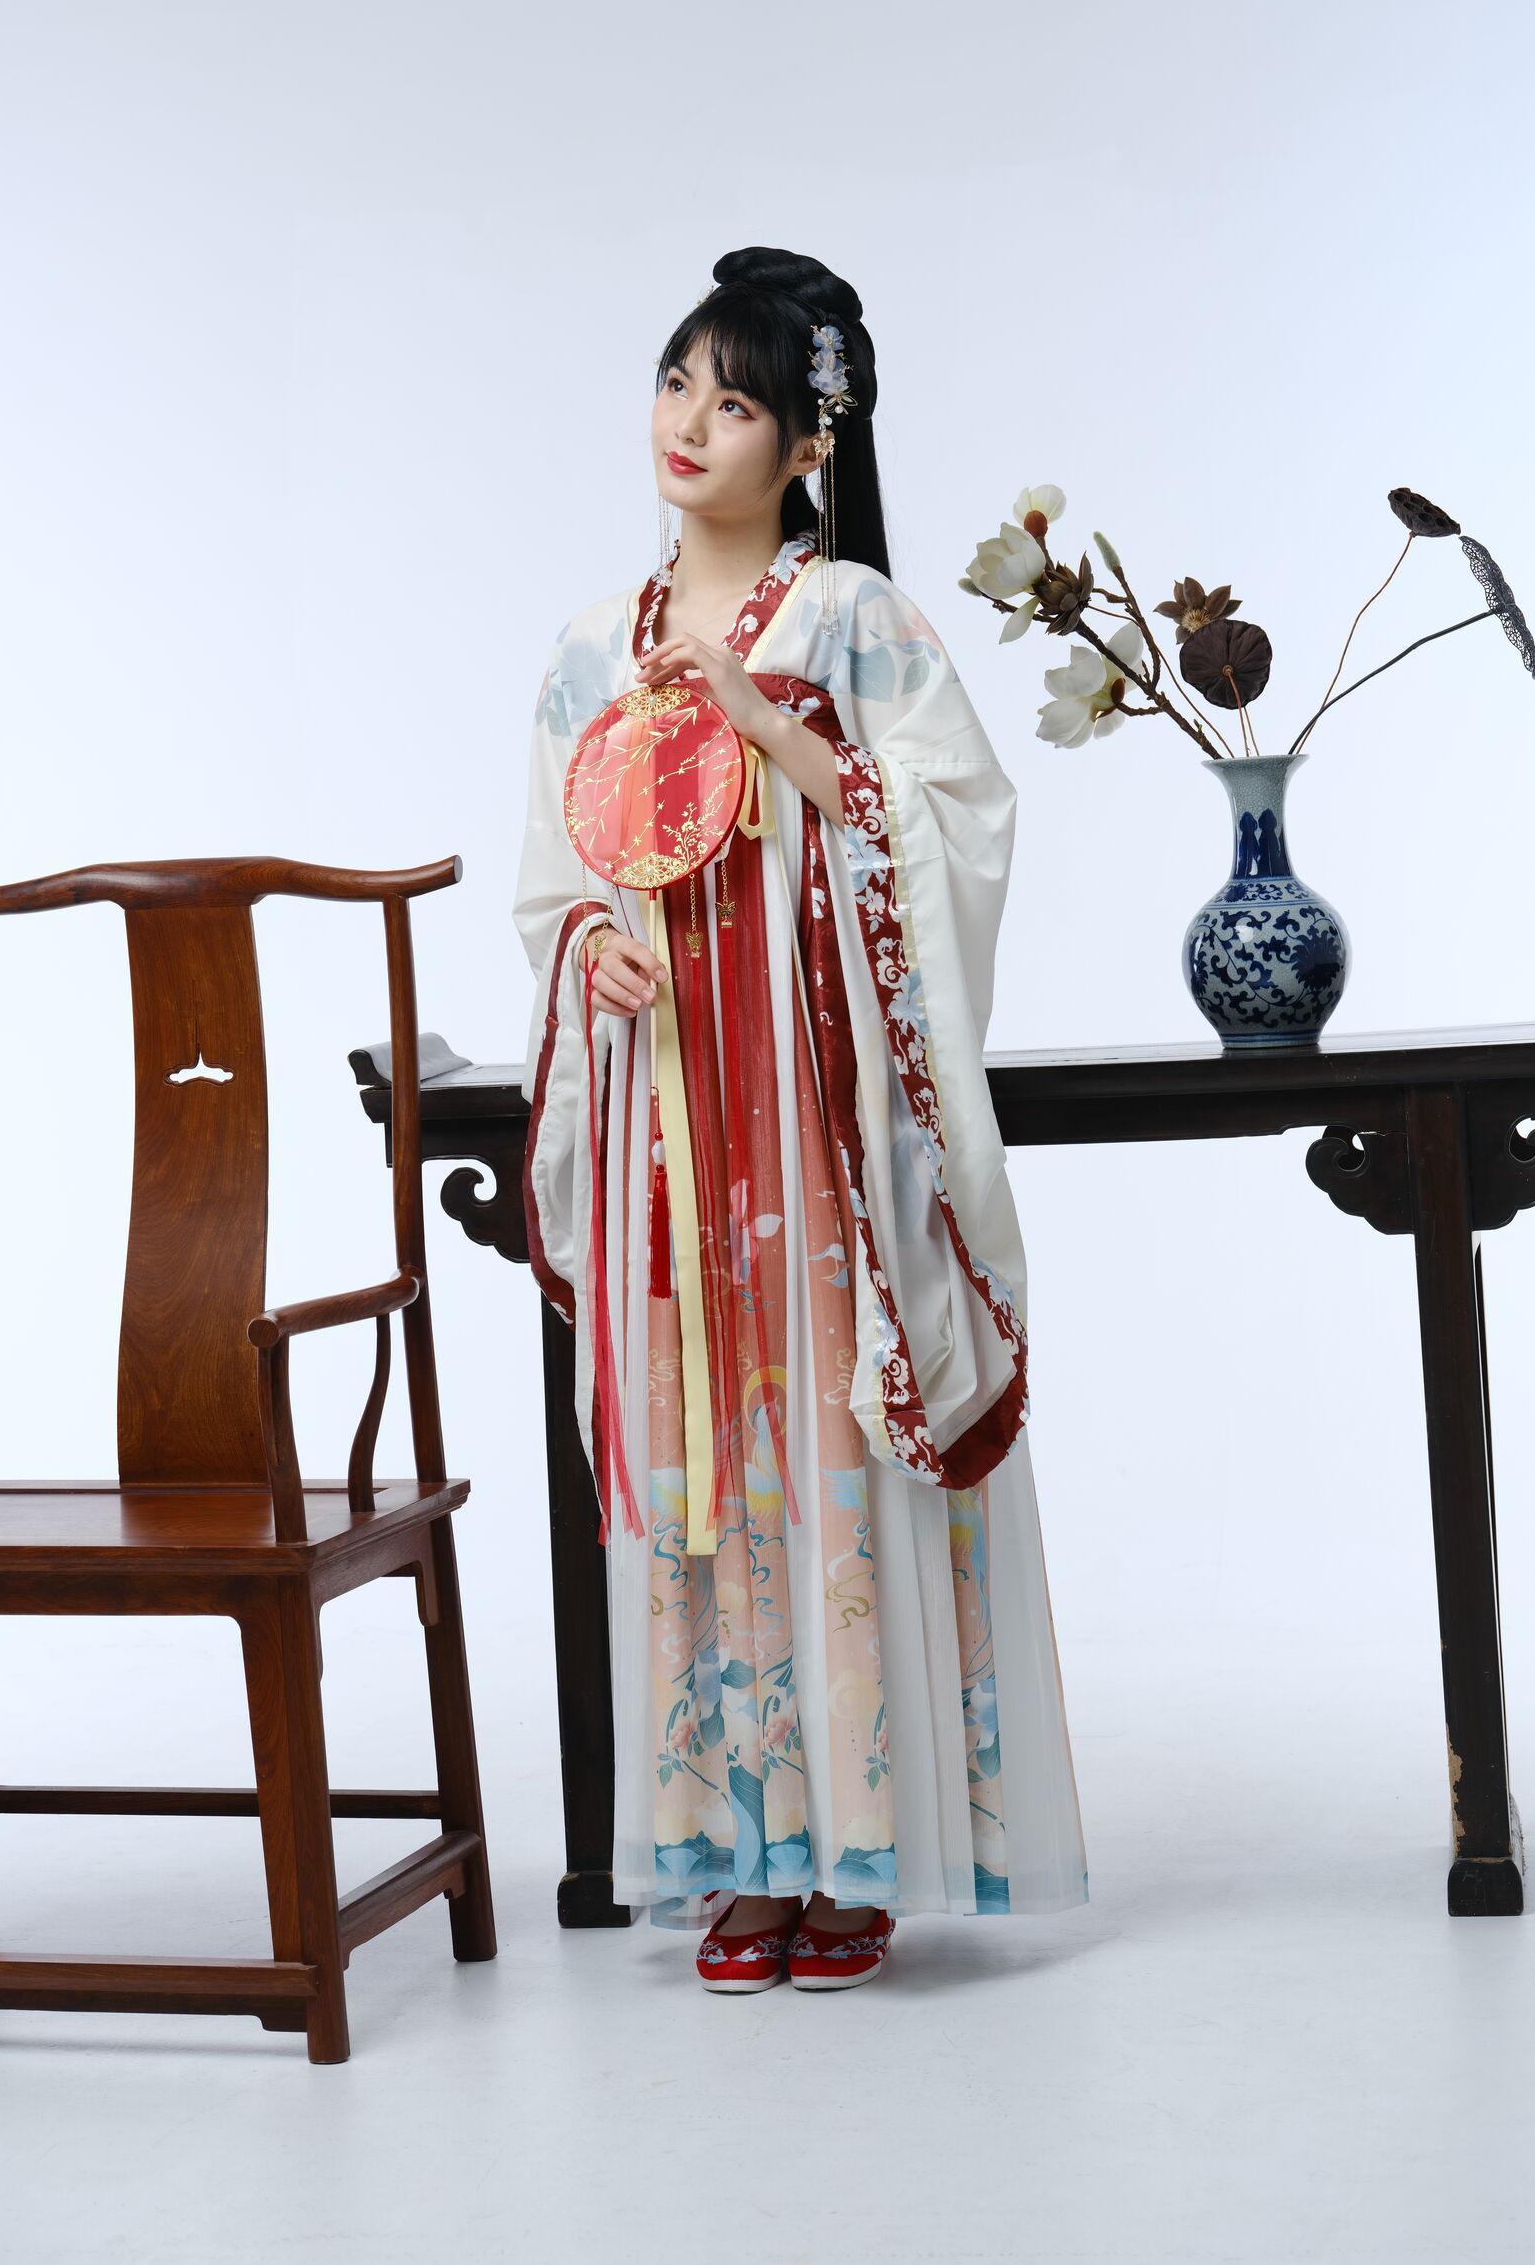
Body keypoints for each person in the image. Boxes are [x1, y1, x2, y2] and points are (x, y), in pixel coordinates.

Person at [513, 245, 1086, 1994]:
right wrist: (592, 950)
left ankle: (861, 1855)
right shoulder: (588, 651)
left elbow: (956, 822)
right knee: (705, 1451)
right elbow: (554, 882)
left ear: (808, 444)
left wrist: (774, 721)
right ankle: (736, 1853)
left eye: (738, 400)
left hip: (816, 1121)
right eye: (677, 381)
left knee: (829, 1432)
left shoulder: (855, 619)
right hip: (671, 1117)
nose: (691, 421)